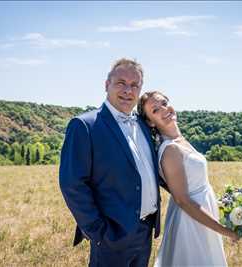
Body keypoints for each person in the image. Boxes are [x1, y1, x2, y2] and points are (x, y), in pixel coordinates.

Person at [59, 59, 164, 267]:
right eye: (121, 83)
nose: (128, 90)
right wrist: (99, 232)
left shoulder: (143, 125)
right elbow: (72, 184)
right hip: (111, 236)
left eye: (135, 85)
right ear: (106, 85)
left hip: (145, 232)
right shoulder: (85, 125)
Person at [137, 91, 239, 267]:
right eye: (155, 110)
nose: (164, 109)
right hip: (191, 222)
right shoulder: (170, 150)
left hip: (203, 215)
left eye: (164, 102)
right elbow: (183, 200)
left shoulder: (179, 140)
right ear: (150, 122)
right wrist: (226, 231)